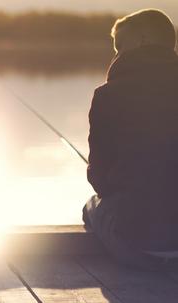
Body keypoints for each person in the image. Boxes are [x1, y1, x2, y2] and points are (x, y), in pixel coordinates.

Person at [84, 9, 178, 270]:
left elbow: (100, 179)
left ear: (142, 40)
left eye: (120, 46)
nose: (116, 55)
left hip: (138, 246)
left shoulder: (107, 96)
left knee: (91, 207)